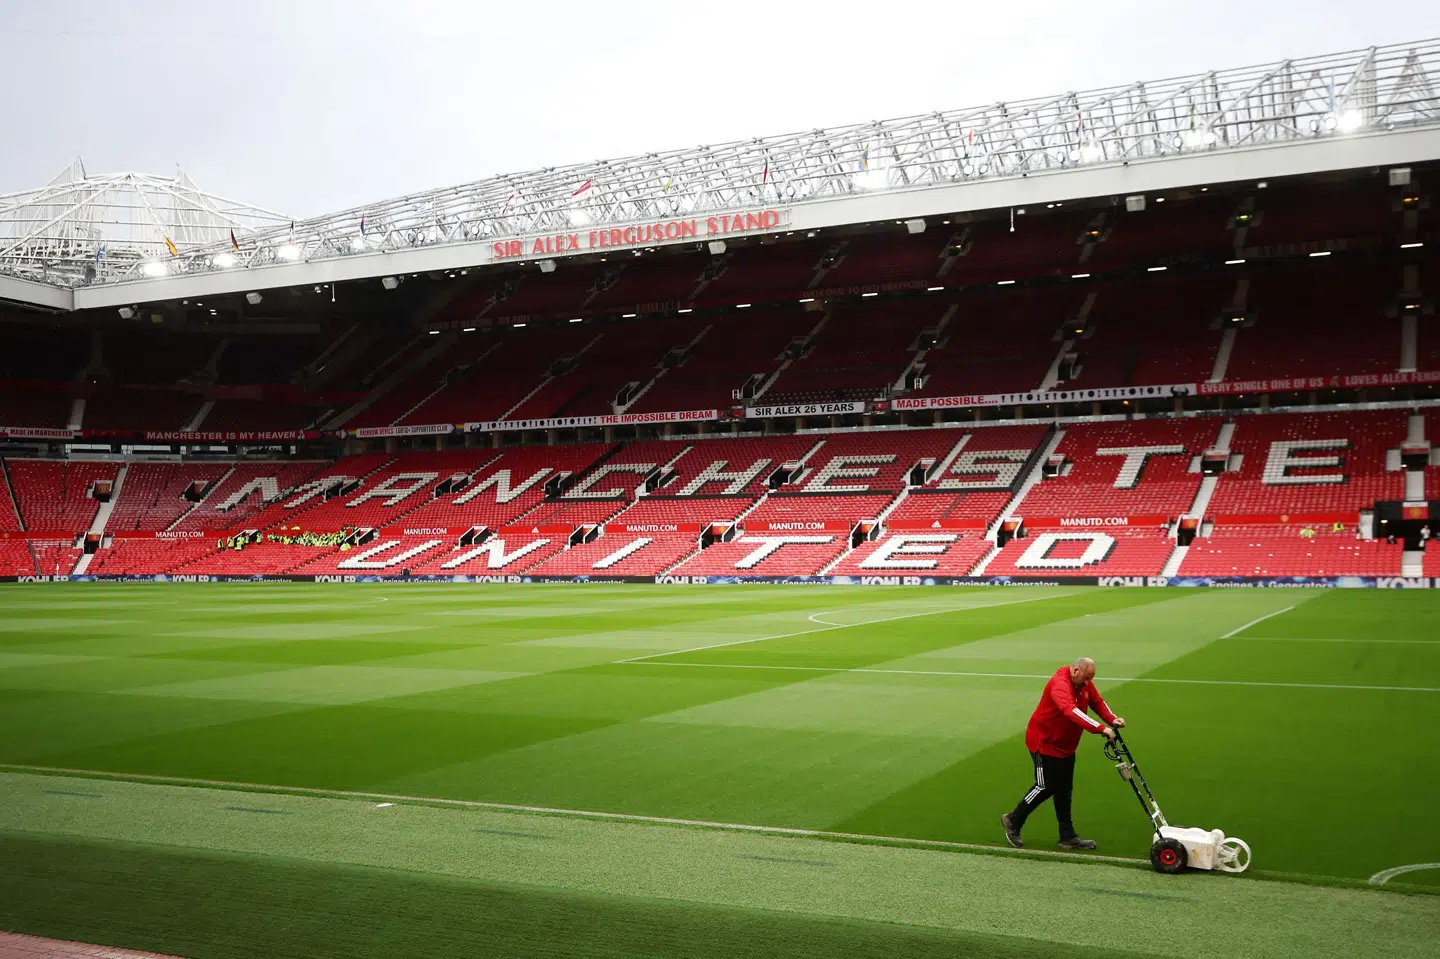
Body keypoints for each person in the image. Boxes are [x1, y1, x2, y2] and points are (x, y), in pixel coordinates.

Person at [1001, 657, 1123, 850]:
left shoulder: (1084, 683)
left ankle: (1067, 836)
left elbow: (1097, 702)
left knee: (1064, 789)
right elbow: (1070, 711)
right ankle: (1013, 820)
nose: (1087, 683)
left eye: (1090, 679)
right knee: (1045, 785)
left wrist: (1112, 719)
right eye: (1085, 678)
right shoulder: (1060, 685)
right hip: (1044, 742)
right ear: (1075, 670)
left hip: (1066, 745)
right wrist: (1101, 728)